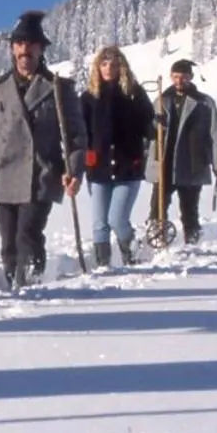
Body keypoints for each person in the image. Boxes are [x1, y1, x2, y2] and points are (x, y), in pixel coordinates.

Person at [0, 10, 87, 289]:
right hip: (2, 174)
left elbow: (76, 136)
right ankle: (14, 287)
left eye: (31, 44)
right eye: (19, 43)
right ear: (12, 49)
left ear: (41, 49)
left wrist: (75, 170)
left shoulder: (58, 89)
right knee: (8, 242)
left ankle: (30, 288)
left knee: (27, 235)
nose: (24, 49)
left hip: (40, 175)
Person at [78, 44, 155, 267]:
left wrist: (156, 125)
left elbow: (148, 126)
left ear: (121, 67)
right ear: (97, 67)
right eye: (104, 64)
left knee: (117, 219)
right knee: (100, 223)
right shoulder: (88, 98)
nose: (108, 68)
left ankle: (133, 255)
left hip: (128, 167)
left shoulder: (134, 94)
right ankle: (103, 267)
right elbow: (81, 133)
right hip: (98, 168)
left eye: (113, 64)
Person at [147, 58, 217, 245]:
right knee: (157, 210)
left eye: (183, 77)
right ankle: (158, 243)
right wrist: (155, 124)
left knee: (189, 211)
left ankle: (192, 245)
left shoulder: (205, 103)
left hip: (192, 163)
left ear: (190, 77)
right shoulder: (160, 101)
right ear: (170, 77)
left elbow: (215, 134)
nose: (179, 81)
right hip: (164, 164)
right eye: (175, 77)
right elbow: (148, 133)